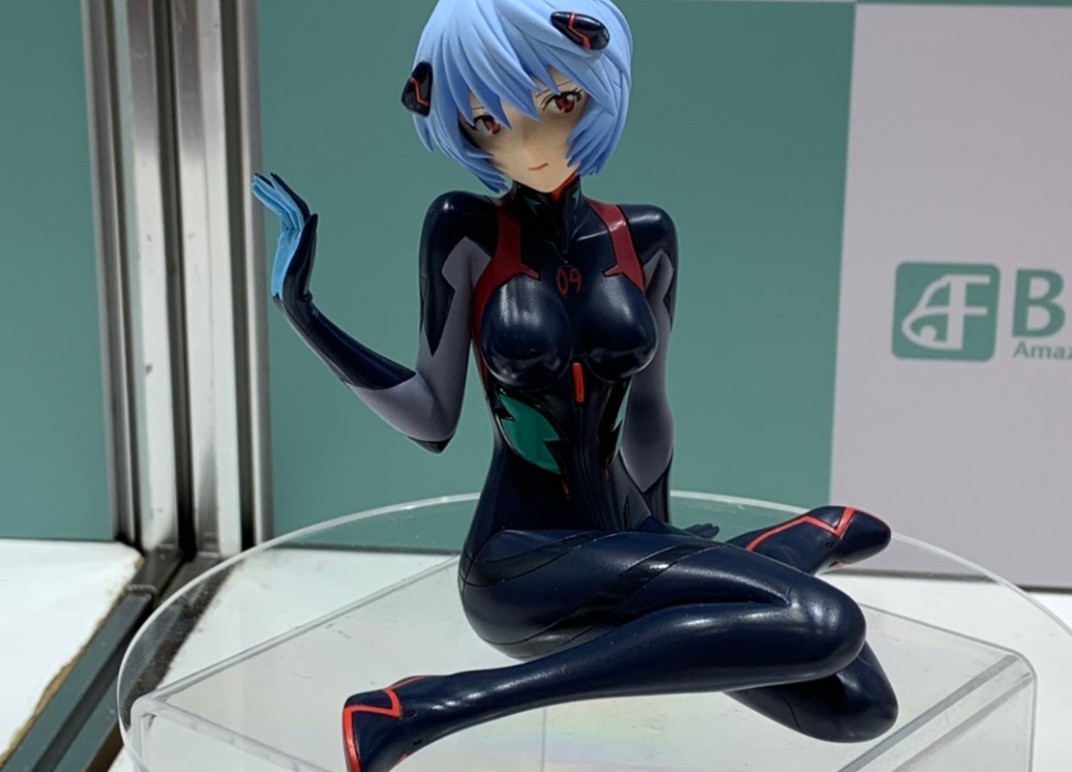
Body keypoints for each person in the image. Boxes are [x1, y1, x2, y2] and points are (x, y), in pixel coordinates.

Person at [253, 1, 897, 770]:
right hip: (523, 559)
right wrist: (304, 314)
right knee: (825, 624)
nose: (527, 143)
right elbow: (431, 417)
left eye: (557, 102)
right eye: (487, 121)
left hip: (625, 532)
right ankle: (441, 704)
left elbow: (650, 407)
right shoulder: (464, 228)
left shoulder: (645, 235)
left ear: (598, 84)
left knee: (859, 706)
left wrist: (660, 532)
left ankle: (776, 549)